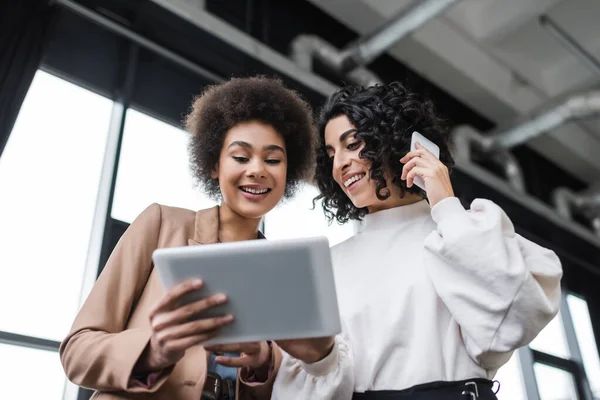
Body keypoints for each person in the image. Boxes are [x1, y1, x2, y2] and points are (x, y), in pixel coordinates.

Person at [271, 82, 563, 399]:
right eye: (331, 154)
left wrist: (446, 205)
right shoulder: (328, 264)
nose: (339, 163)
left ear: (397, 142)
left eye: (353, 144)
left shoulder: (466, 229)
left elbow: (514, 319)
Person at [59, 76, 318, 400]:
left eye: (273, 159)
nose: (257, 170)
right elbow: (77, 351)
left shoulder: (282, 272)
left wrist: (263, 363)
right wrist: (152, 351)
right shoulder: (161, 225)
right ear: (213, 165)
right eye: (240, 157)